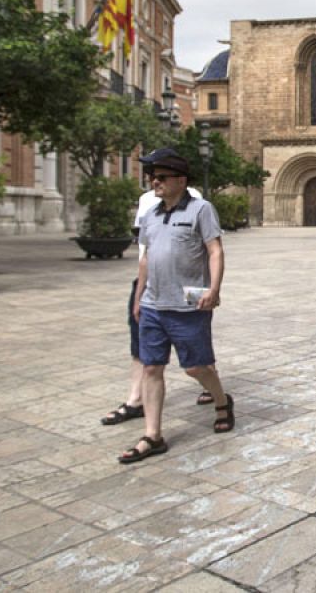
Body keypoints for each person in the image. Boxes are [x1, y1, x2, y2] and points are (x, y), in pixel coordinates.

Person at [118, 148, 234, 464]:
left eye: (161, 177)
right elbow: (145, 258)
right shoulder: (151, 214)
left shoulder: (201, 210)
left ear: (180, 181)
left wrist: (214, 288)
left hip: (188, 302)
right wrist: (139, 297)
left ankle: (222, 400)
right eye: (151, 177)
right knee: (151, 367)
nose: (154, 182)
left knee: (196, 367)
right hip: (154, 303)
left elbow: (215, 250)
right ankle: (152, 435)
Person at [101, 180, 208, 427]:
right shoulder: (146, 202)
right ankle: (135, 400)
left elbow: (207, 250)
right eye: (152, 172)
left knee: (197, 342)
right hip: (149, 283)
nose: (155, 178)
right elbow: (145, 250)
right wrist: (139, 292)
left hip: (189, 283)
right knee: (140, 339)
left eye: (161, 172)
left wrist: (207, 291)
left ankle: (212, 389)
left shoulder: (196, 199)